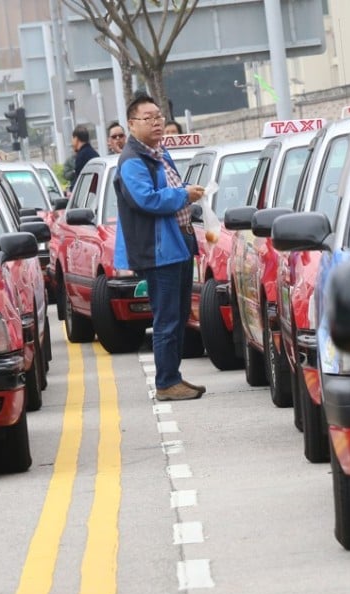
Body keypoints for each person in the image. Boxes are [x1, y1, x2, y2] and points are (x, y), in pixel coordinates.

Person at [114, 94, 207, 401]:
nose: (157, 123)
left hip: (179, 242)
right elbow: (147, 199)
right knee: (166, 317)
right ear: (132, 124)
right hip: (159, 249)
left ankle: (174, 376)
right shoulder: (132, 161)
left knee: (179, 314)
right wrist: (183, 196)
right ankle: (166, 382)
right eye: (148, 118)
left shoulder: (159, 153)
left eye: (159, 117)